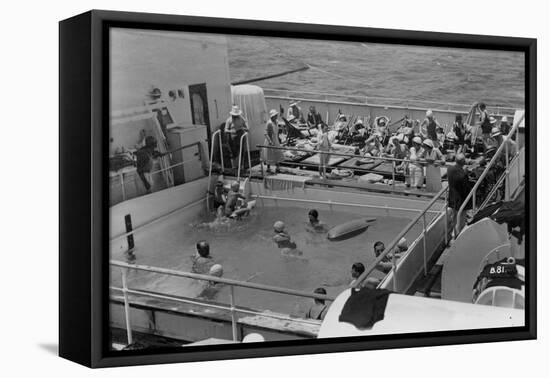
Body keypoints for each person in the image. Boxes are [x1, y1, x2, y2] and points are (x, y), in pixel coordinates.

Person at [447, 153, 471, 234]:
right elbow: (465, 187)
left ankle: (454, 233)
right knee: (460, 219)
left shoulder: (449, 169)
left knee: (454, 217)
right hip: (461, 199)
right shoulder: (462, 174)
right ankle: (457, 235)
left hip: (452, 197)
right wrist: (465, 172)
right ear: (463, 161)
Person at [264, 109, 284, 173]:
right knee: (269, 154)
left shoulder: (276, 121)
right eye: (275, 115)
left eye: (276, 115)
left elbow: (277, 131)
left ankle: (277, 167)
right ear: (272, 116)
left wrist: (279, 138)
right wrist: (270, 141)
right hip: (270, 140)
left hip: (275, 139)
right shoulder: (269, 123)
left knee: (277, 153)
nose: (276, 116)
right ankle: (268, 168)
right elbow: (266, 133)